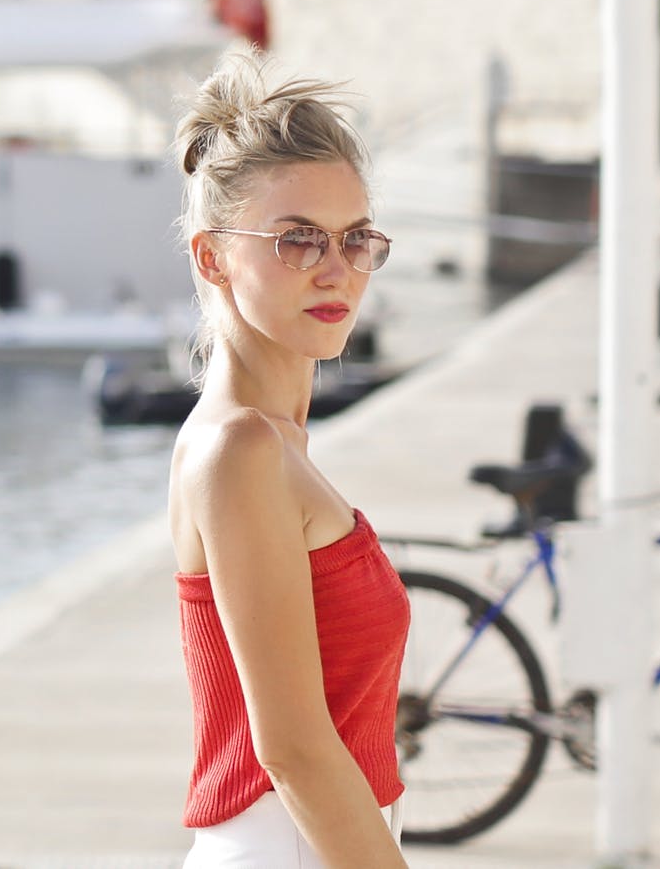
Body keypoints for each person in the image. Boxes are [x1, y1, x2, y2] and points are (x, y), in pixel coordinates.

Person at [169, 50, 411, 869]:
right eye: (298, 240)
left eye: (355, 239)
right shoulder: (237, 450)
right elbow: (294, 750)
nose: (336, 269)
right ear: (212, 257)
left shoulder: (275, 444)